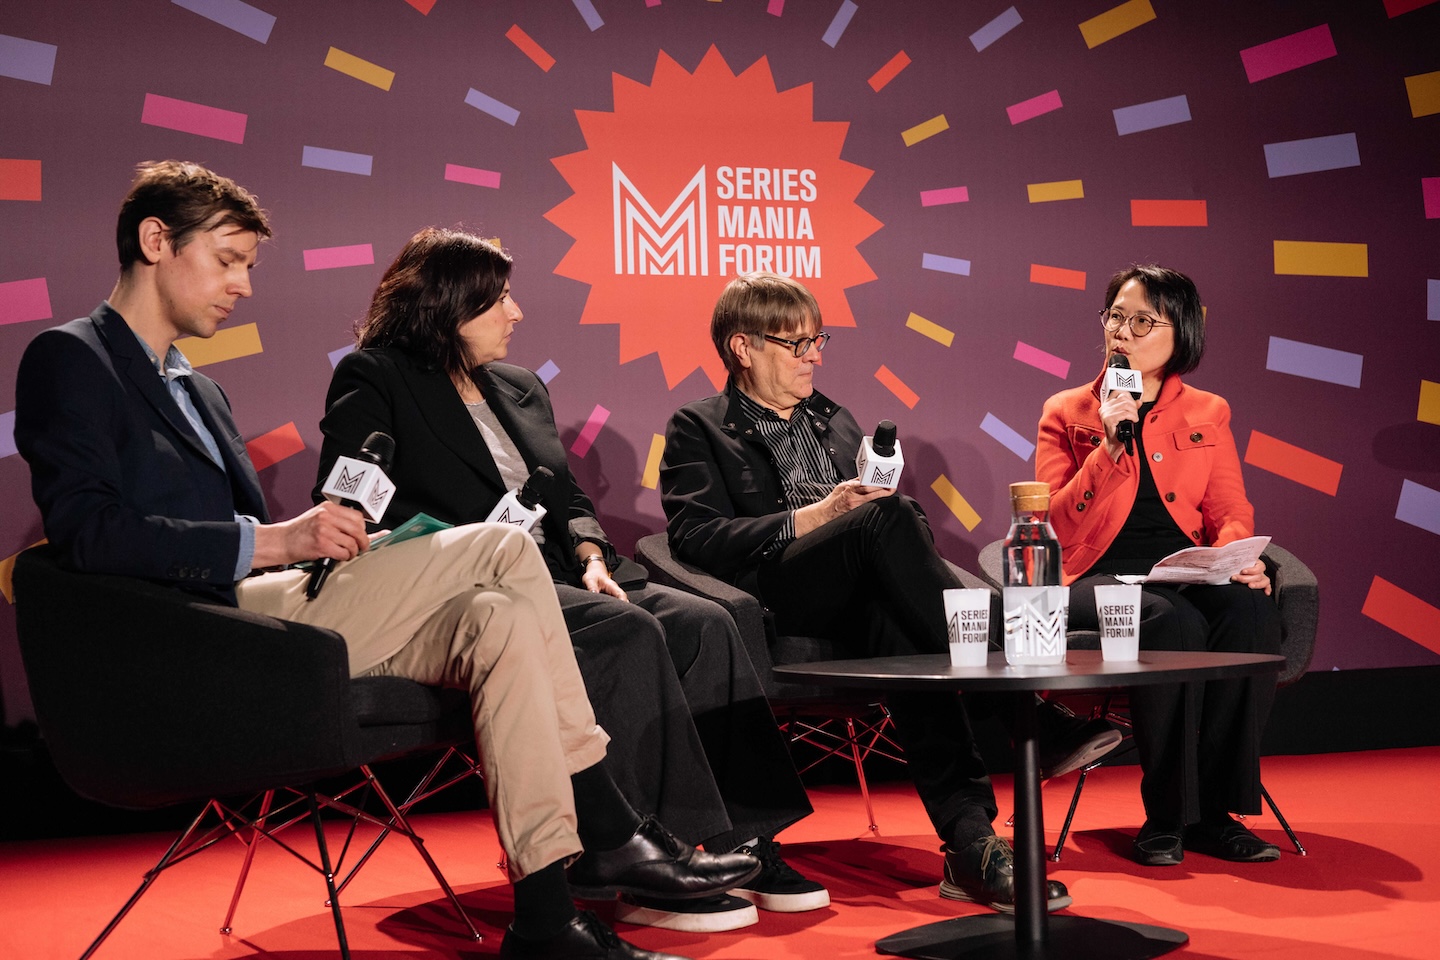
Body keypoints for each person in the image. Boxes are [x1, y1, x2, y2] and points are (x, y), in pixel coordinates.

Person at [13, 160, 761, 960]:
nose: (243, 286)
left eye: (248, 266)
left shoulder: (202, 391)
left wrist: (318, 546)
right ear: (156, 240)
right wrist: (277, 540)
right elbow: (89, 534)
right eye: (228, 260)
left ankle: (546, 918)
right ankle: (610, 827)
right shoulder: (72, 357)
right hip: (191, 631)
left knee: (499, 619)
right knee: (504, 548)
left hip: (258, 608)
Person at [316, 228, 825, 933]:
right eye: (498, 299)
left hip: (566, 570)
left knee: (704, 623)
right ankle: (649, 861)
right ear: (449, 306)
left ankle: (751, 841)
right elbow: (352, 506)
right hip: (475, 581)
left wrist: (589, 551)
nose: (516, 312)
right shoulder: (377, 376)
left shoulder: (519, 386)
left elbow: (566, 493)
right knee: (626, 631)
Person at [659, 272, 1115, 913]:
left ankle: (971, 843)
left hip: (861, 587)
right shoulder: (699, 426)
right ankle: (1023, 708)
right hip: (778, 590)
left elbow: (889, 519)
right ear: (743, 347)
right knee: (888, 518)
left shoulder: (834, 419)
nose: (815, 356)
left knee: (902, 620)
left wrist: (882, 521)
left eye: (819, 340)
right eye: (797, 344)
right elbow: (697, 537)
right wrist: (821, 516)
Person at [1034, 263, 1283, 867]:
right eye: (1115, 317)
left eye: (1143, 321)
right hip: (1092, 576)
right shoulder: (1067, 410)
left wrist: (1237, 557)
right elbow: (1054, 527)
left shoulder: (1208, 410)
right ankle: (1170, 814)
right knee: (1170, 621)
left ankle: (1217, 814)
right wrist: (1109, 447)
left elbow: (1229, 508)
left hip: (1179, 569)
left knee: (1249, 610)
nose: (1122, 331)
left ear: (1182, 333)